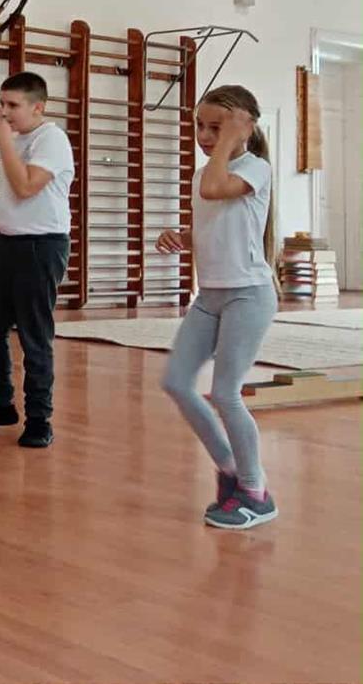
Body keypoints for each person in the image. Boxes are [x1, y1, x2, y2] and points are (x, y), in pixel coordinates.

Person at [158, 85, 279, 530]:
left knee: (226, 394)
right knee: (176, 382)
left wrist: (232, 137)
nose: (206, 137)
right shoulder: (206, 173)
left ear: (245, 128)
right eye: (200, 127)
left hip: (249, 295)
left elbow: (214, 189)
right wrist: (182, 237)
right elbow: (215, 224)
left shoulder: (256, 168)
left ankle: (255, 492)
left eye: (217, 128)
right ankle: (231, 469)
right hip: (210, 295)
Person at [0, 71, 74, 449]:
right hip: (7, 242)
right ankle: (0, 404)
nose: (4, 112)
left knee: (33, 334)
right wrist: (9, 142)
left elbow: (26, 187)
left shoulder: (51, 138)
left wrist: (6, 143)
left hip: (41, 245)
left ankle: (39, 418)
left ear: (38, 107)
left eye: (13, 105)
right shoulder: (18, 138)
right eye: (1, 104)